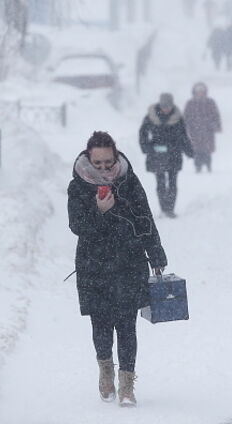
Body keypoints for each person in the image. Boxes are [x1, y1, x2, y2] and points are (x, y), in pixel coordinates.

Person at [67, 131, 168, 407]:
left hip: (129, 261)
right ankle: (105, 371)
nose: (103, 168)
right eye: (97, 163)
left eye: (107, 162)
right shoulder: (77, 186)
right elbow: (77, 226)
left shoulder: (129, 180)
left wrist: (156, 252)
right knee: (101, 324)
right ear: (88, 157)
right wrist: (99, 211)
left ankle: (126, 384)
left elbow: (145, 218)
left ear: (115, 157)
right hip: (94, 265)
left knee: (126, 324)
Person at [139, 93, 194, 218]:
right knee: (160, 182)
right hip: (156, 154)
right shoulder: (150, 116)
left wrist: (189, 151)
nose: (166, 108)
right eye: (164, 106)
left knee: (173, 182)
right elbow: (143, 133)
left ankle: (170, 209)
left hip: (174, 153)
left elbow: (183, 136)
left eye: (168, 106)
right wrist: (146, 147)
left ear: (172, 105)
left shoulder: (178, 118)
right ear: (160, 104)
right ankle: (164, 207)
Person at [183, 82, 222, 173]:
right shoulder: (190, 103)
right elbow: (186, 116)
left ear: (205, 92)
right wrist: (185, 127)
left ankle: (208, 165)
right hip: (194, 131)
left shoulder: (210, 102)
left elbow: (216, 115)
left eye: (202, 91)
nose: (200, 93)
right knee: (196, 149)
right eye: (198, 92)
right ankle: (198, 166)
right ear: (194, 92)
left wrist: (216, 125)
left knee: (207, 149)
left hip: (207, 130)